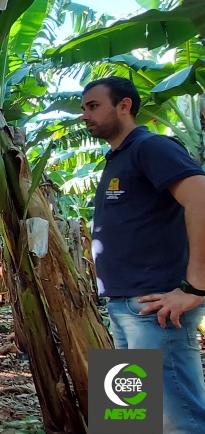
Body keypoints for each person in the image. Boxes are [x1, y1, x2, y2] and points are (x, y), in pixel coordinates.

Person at [83, 76, 205, 433]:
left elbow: (199, 197)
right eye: (83, 108)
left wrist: (196, 286)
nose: (85, 116)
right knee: (130, 417)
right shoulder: (118, 157)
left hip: (155, 306)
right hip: (123, 306)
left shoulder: (150, 147)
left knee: (178, 420)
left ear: (125, 106)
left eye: (93, 106)